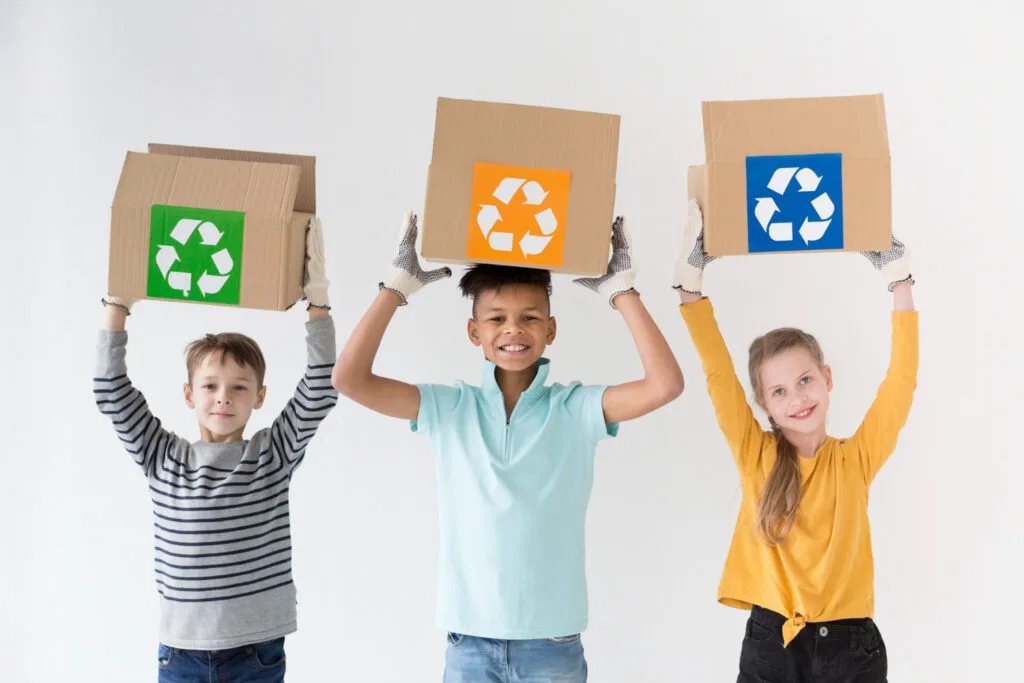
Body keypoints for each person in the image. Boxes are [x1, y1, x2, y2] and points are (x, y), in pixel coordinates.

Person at [332, 211, 684, 681]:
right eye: (496, 318)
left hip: (552, 642)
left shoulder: (575, 409)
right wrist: (394, 289)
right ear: (474, 332)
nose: (513, 329)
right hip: (469, 641)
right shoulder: (449, 408)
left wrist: (623, 291)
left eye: (529, 318)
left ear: (550, 330)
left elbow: (664, 385)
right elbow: (349, 379)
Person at [673, 199, 918, 683]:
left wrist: (900, 284)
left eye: (806, 380)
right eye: (779, 391)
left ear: (827, 379)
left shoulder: (856, 459)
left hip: (850, 648)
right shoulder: (755, 455)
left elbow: (901, 383)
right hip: (772, 643)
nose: (797, 398)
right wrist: (690, 293)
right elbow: (719, 375)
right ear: (763, 403)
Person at [93, 218, 338, 682]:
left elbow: (322, 387)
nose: (223, 396)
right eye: (209, 385)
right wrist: (117, 305)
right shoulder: (160, 455)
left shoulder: (273, 453)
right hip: (180, 653)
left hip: (256, 652)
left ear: (259, 397)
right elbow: (109, 388)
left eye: (239, 386)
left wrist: (318, 303)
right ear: (189, 395)